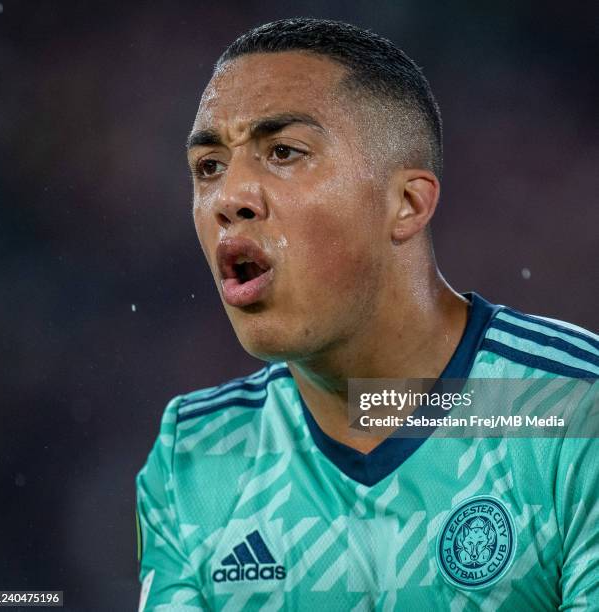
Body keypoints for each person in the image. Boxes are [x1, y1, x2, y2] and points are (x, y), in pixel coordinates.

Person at [135, 18, 598, 611]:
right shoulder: (196, 456)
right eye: (209, 167)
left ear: (406, 203)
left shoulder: (572, 411)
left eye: (283, 152)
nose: (230, 197)